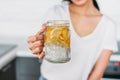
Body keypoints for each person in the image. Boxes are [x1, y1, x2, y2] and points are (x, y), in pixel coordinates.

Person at [27, 0, 118, 80]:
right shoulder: (56, 12)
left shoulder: (108, 25)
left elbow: (97, 74)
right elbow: (45, 47)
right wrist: (39, 45)